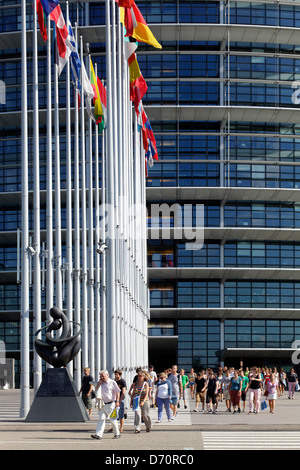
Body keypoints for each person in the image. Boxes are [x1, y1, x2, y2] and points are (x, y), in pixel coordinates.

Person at [91, 370, 120, 440]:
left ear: (107, 375)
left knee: (112, 420)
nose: (101, 377)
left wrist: (117, 401)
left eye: (102, 376)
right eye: (100, 376)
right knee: (101, 419)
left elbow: (117, 392)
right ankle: (98, 435)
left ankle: (117, 433)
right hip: (102, 404)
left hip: (110, 404)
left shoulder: (112, 382)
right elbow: (96, 390)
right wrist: (99, 383)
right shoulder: (101, 383)